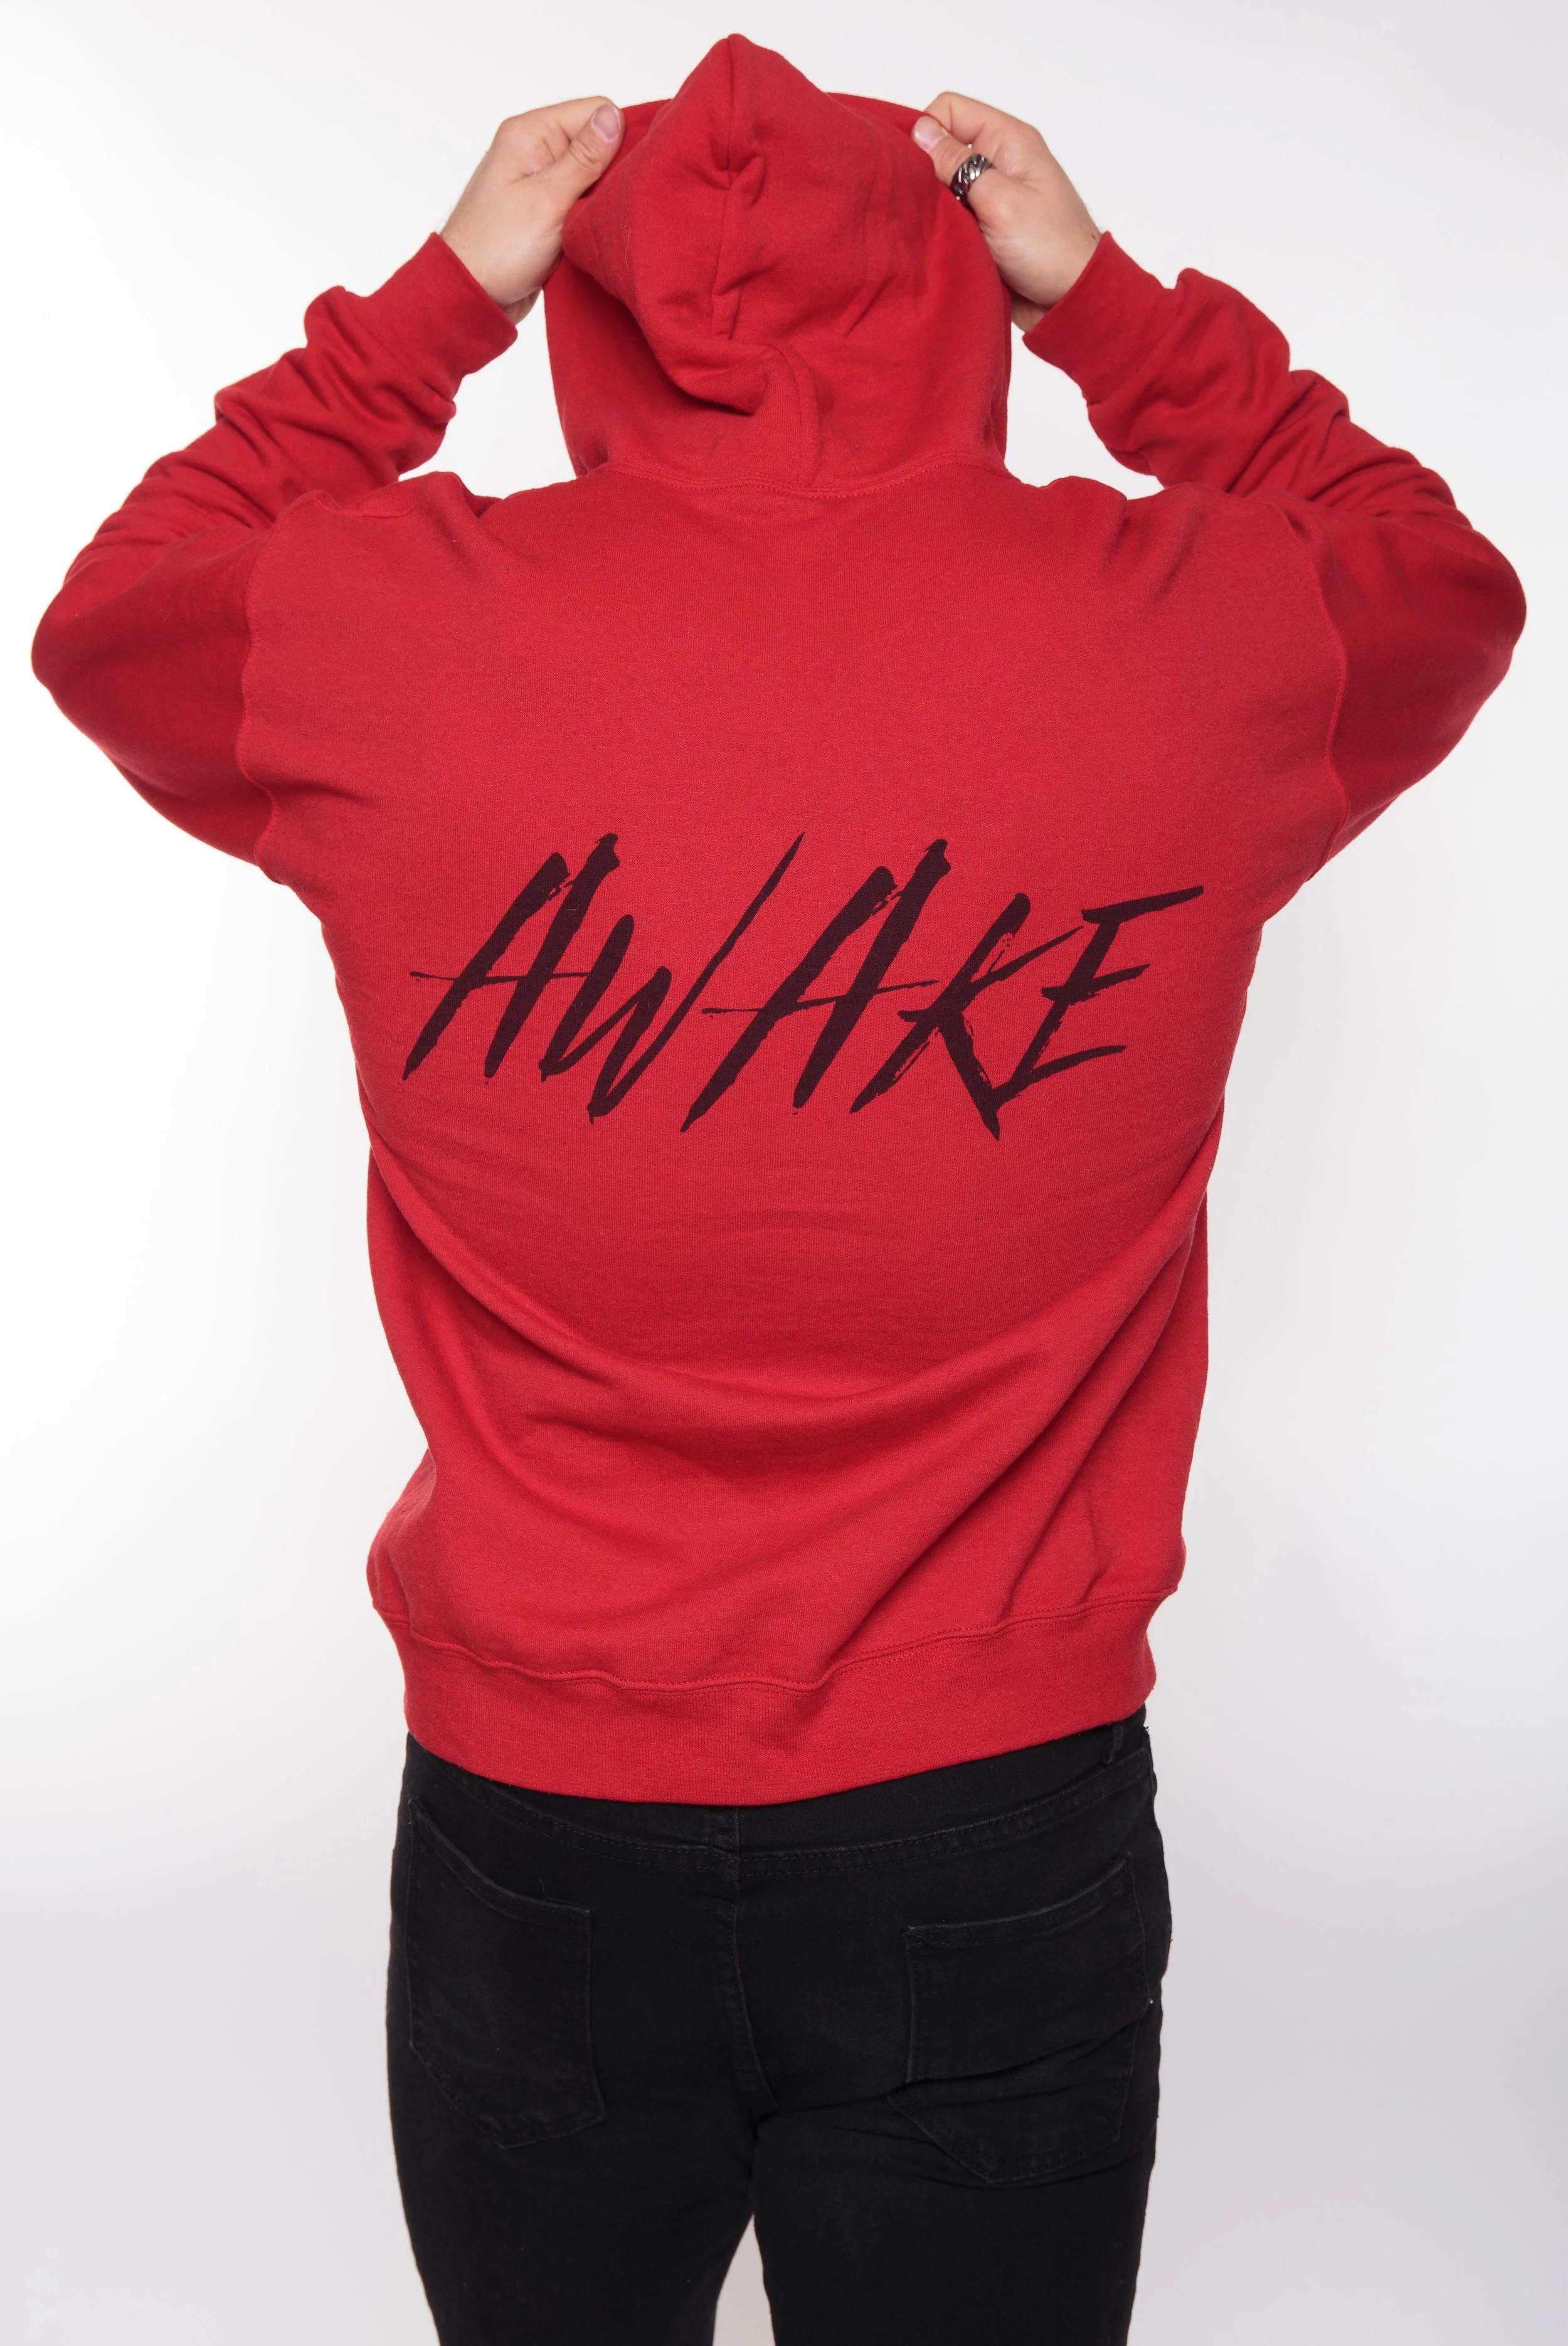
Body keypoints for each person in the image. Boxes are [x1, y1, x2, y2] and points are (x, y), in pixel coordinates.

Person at [31, 32, 1523, 2346]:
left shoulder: (381, 631)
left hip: (539, 1816)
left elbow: (111, 616)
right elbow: (1439, 581)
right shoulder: (1182, 626)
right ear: (951, 294)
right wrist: (1108, 304)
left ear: (584, 313)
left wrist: (433, 301)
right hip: (993, 1809)